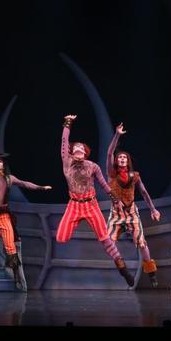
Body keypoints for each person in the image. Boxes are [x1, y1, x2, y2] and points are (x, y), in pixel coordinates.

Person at [56, 114, 133, 287]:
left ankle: (122, 268)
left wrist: (115, 200)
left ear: (85, 153)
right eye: (75, 148)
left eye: (81, 149)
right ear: (70, 152)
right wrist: (68, 123)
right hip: (74, 205)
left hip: (91, 204)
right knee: (61, 238)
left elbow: (105, 185)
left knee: (105, 239)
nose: (78, 150)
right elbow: (63, 142)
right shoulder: (66, 162)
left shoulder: (93, 166)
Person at [0, 122, 52, 288]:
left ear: (4, 165)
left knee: (10, 247)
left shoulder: (10, 178)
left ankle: (16, 275)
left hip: (3, 216)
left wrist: (40, 187)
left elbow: (25, 184)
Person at [106, 122, 161, 287]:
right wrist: (117, 135)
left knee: (141, 242)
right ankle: (123, 270)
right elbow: (109, 153)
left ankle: (151, 272)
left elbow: (144, 192)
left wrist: (153, 209)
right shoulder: (112, 173)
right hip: (116, 213)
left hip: (131, 212)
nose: (122, 159)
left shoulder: (134, 175)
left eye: (124, 157)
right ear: (116, 161)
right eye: (119, 157)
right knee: (108, 242)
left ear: (128, 161)